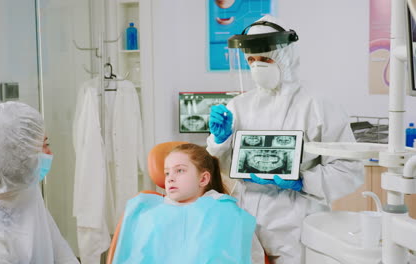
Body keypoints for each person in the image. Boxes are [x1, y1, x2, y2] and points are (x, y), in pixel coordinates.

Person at [207, 15, 364, 264]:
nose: (258, 66)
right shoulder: (239, 106)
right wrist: (220, 141)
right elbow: (223, 169)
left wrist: (302, 181)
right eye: (251, 60)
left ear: (285, 58)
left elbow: (350, 170)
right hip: (247, 219)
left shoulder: (318, 105)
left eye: (266, 59)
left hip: (297, 222)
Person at [0, 102, 79, 264]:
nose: (50, 153)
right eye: (44, 145)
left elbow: (62, 254)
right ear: (19, 156)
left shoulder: (25, 194)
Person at [112, 143, 266, 264]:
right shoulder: (148, 212)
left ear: (203, 179)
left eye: (180, 170)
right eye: (167, 172)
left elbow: (251, 256)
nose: (170, 178)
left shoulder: (225, 211)